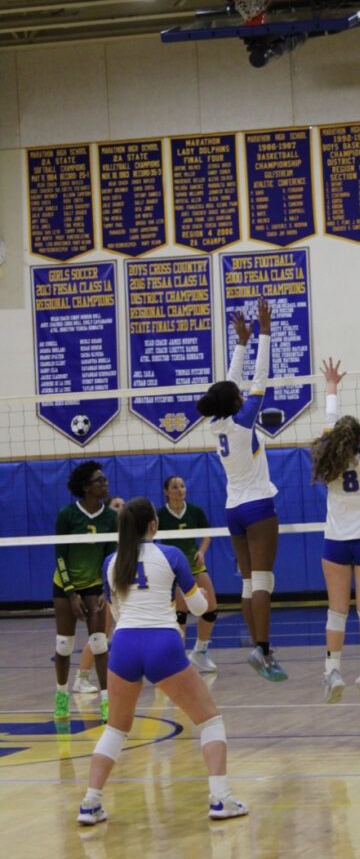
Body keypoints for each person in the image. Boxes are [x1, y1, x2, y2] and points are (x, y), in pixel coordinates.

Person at [77, 497, 248, 826]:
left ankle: (90, 803)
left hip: (125, 644)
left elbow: (116, 612)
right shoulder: (172, 555)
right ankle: (221, 797)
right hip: (162, 643)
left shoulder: (112, 562)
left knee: (116, 727)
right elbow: (199, 609)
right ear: (153, 524)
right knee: (210, 720)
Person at [196, 297, 287, 682]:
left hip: (233, 509)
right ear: (236, 404)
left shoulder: (217, 423)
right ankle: (264, 650)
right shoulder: (242, 421)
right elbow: (259, 379)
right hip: (257, 507)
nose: (241, 395)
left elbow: (230, 385)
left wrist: (241, 342)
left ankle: (258, 647)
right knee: (263, 581)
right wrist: (264, 333)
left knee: (250, 582)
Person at [310, 352, 360, 704]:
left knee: (337, 609)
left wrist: (330, 385)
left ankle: (331, 672)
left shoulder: (327, 462)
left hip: (336, 543)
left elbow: (329, 421)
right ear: (359, 438)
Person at [52, 462, 118, 723]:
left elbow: (110, 555)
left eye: (104, 480)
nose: (105, 484)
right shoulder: (67, 515)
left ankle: (105, 700)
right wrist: (71, 594)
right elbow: (59, 556)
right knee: (64, 644)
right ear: (85, 487)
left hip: (94, 584)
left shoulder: (110, 518)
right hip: (65, 584)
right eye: (99, 481)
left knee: (100, 642)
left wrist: (105, 588)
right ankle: (60, 696)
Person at [157, 476, 219, 674]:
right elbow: (153, 540)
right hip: (172, 568)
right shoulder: (160, 515)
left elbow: (207, 534)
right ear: (166, 491)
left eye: (182, 486)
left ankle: (200, 651)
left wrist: (201, 551)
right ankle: (178, 658)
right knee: (180, 613)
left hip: (194, 565)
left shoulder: (194, 511)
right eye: (175, 487)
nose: (179, 490)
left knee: (211, 608)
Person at [72, 495, 125, 695]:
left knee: (110, 632)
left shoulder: (125, 532)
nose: (121, 508)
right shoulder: (105, 532)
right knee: (101, 633)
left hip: (117, 588)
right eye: (116, 505)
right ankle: (81, 677)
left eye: (123, 506)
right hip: (103, 588)